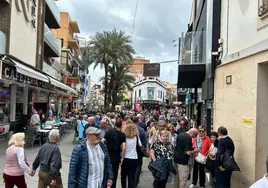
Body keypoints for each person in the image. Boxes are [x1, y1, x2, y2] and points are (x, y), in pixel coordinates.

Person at [104, 120, 126, 188]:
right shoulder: (122, 135)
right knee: (114, 174)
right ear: (121, 126)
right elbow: (124, 147)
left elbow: (102, 141)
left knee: (106, 173)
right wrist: (122, 158)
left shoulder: (108, 133)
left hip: (108, 156)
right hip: (116, 157)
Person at [121, 124, 141, 188]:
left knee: (123, 176)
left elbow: (121, 147)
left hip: (125, 158)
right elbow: (140, 146)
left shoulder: (124, 137)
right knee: (131, 176)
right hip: (134, 158)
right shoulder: (136, 137)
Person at [133, 116, 147, 188]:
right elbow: (144, 142)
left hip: (130, 152)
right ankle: (135, 182)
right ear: (138, 121)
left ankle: (131, 181)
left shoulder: (128, 130)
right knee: (138, 166)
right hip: (139, 151)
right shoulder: (141, 130)